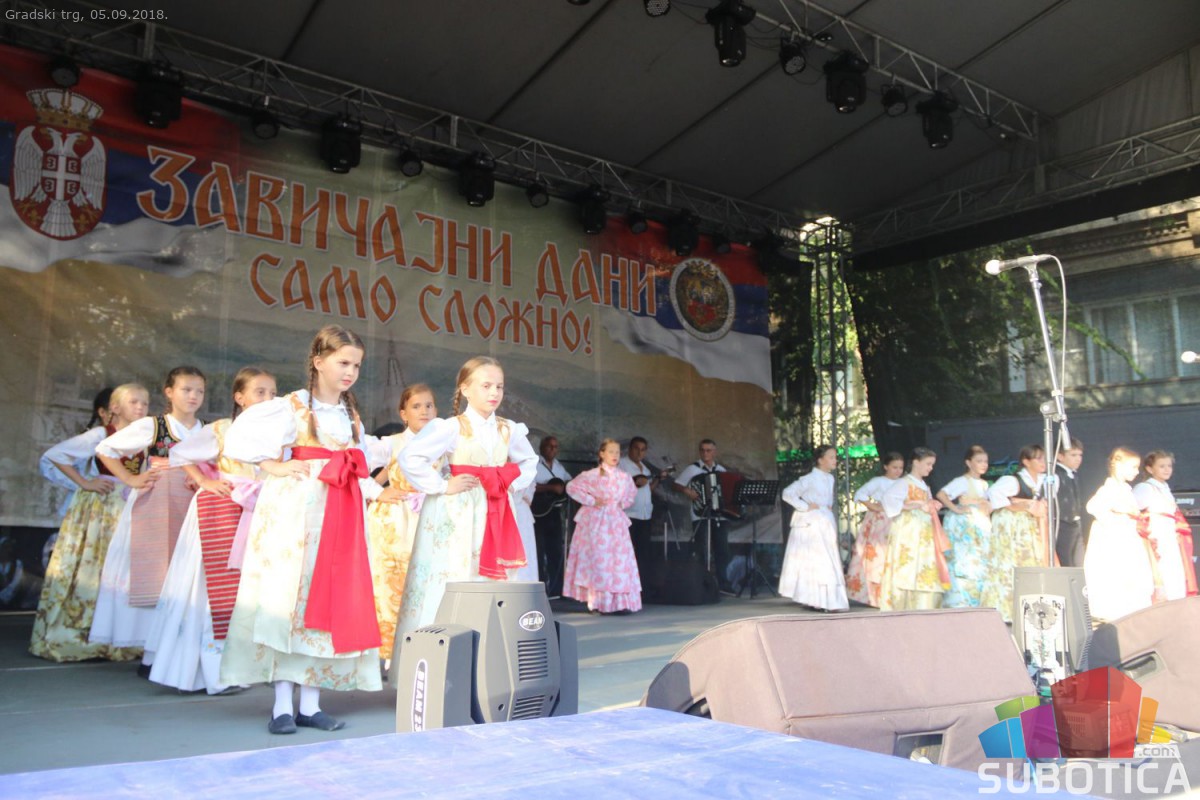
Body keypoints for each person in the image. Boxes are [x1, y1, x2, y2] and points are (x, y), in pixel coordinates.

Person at [221, 325, 386, 734]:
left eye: (356, 366)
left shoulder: (349, 414)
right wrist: (273, 465)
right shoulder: (290, 406)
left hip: (339, 509)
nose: (350, 372)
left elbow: (360, 462)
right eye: (343, 362)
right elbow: (237, 438)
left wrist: (379, 491)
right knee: (289, 598)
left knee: (325, 596)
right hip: (296, 512)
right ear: (318, 361)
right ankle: (281, 705)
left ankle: (311, 703)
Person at [141, 367, 277, 694]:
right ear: (239, 397)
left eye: (273, 393)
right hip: (220, 511)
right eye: (259, 392)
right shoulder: (222, 429)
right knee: (210, 590)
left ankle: (246, 666)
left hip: (258, 512)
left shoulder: (279, 432)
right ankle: (207, 671)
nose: (268, 399)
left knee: (250, 591)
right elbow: (180, 453)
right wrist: (205, 480)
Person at [395, 356, 538, 647]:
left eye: (499, 386)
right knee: (455, 569)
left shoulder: (508, 428)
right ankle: (440, 647)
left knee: (494, 580)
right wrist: (442, 485)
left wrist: (510, 483)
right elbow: (410, 457)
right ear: (465, 389)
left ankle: (489, 647)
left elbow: (529, 461)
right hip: (458, 510)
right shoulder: (451, 427)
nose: (494, 392)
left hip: (496, 507)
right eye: (486, 386)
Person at [30, 384, 150, 662]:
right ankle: (79, 633)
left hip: (127, 509)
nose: (141, 407)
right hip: (100, 509)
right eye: (134, 402)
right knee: (91, 564)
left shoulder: (144, 437)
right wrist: (85, 483)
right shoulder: (101, 435)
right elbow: (56, 456)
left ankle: (115, 637)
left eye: (145, 403)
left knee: (120, 571)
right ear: (115, 408)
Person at [90, 367, 207, 652]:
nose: (193, 396)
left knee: (184, 571)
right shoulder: (154, 426)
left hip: (192, 504)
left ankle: (173, 647)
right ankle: (148, 647)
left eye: (199, 391)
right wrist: (130, 478)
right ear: (169, 392)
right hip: (157, 503)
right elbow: (105, 449)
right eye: (186, 389)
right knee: (153, 570)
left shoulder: (206, 430)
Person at [365, 383, 438, 662]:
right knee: (390, 584)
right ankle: (387, 651)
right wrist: (375, 491)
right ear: (404, 414)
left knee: (427, 584)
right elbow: (356, 463)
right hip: (396, 521)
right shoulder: (392, 443)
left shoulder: (443, 442)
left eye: (429, 405)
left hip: (430, 516)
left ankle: (423, 647)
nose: (424, 411)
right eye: (416, 406)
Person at [562, 438, 641, 614]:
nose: (615, 455)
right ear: (602, 454)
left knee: (619, 562)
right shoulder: (592, 474)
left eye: (617, 452)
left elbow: (631, 494)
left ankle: (619, 603)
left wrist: (621, 504)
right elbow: (571, 487)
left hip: (616, 522)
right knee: (599, 561)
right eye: (611, 451)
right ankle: (598, 602)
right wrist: (591, 500)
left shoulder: (624, 476)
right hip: (596, 521)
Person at [1084, 448, 1157, 622]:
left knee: (1132, 575)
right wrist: (1114, 523)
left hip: (1128, 536)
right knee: (1117, 574)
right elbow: (1093, 507)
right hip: (1116, 538)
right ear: (1118, 465)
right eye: (1133, 467)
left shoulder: (1125, 489)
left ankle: (1131, 612)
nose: (1136, 472)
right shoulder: (1110, 488)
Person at [982, 444, 1049, 622]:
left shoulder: (1044, 481)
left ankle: (1028, 608)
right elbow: (994, 493)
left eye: (1044, 458)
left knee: (1031, 563)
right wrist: (1016, 505)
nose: (1043, 462)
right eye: (1038, 458)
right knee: (1009, 565)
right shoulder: (1013, 480)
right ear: (1026, 461)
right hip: (1011, 527)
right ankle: (1005, 609)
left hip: (1029, 527)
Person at [778, 445, 849, 611]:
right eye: (831, 457)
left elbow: (827, 498)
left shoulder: (829, 478)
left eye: (835, 457)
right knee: (817, 560)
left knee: (826, 558)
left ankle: (823, 599)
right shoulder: (809, 478)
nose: (835, 460)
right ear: (820, 460)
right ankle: (819, 599)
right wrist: (805, 506)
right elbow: (788, 493)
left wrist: (827, 505)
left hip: (824, 521)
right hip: (811, 523)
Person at [878, 447, 949, 611]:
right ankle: (903, 601)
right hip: (909, 529)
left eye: (932, 465)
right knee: (908, 562)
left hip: (924, 529)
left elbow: (925, 502)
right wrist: (914, 505)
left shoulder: (923, 485)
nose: (930, 468)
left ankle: (923, 602)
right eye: (928, 464)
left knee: (923, 561)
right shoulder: (904, 482)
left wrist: (931, 504)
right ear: (916, 463)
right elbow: (888, 500)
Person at [1133, 451, 1197, 602]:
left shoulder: (1165, 488)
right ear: (1149, 469)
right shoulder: (1145, 488)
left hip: (1171, 537)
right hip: (1157, 537)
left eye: (1169, 466)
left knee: (1176, 574)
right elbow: (1133, 509)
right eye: (1162, 466)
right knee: (1163, 573)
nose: (1167, 469)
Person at [674, 439, 734, 593]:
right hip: (700, 514)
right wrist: (687, 491)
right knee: (701, 549)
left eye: (708, 450)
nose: (705, 453)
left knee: (722, 550)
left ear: (714, 452)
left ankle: (723, 584)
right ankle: (702, 583)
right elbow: (677, 484)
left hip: (719, 516)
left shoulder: (721, 470)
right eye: (702, 450)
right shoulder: (692, 469)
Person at [936, 445, 992, 608]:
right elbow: (942, 494)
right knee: (963, 560)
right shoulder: (962, 481)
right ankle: (960, 599)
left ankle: (977, 598)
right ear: (968, 463)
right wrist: (955, 509)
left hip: (980, 524)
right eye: (979, 461)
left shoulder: (984, 483)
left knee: (979, 559)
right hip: (965, 526)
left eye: (985, 461)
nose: (983, 464)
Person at [845, 451, 904, 607]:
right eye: (894, 467)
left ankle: (894, 595)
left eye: (900, 468)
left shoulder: (903, 482)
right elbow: (860, 494)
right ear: (886, 466)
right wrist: (874, 507)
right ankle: (875, 596)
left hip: (898, 519)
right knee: (878, 557)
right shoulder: (879, 481)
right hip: (881, 521)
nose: (898, 471)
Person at [619, 436, 666, 581]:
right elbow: (616, 486)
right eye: (636, 449)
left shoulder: (645, 468)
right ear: (630, 449)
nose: (639, 453)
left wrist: (658, 479)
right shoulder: (622, 464)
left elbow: (647, 489)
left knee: (643, 552)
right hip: (628, 515)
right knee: (625, 552)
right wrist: (634, 482)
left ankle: (640, 584)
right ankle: (624, 583)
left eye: (643, 450)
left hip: (644, 515)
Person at [532, 436, 571, 595]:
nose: (552, 449)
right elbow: (528, 485)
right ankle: (540, 589)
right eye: (549, 446)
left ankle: (557, 589)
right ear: (542, 447)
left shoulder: (559, 466)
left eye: (555, 447)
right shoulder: (534, 463)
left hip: (554, 512)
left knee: (555, 549)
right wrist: (550, 488)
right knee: (538, 550)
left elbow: (569, 481)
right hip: (538, 512)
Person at [1054, 439, 1086, 567]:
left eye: (1080, 455)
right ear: (1060, 456)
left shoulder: (1073, 474)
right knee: (1065, 560)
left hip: (1075, 524)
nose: (1078, 459)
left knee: (1079, 561)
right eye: (1073, 455)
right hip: (1062, 525)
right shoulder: (1055, 475)